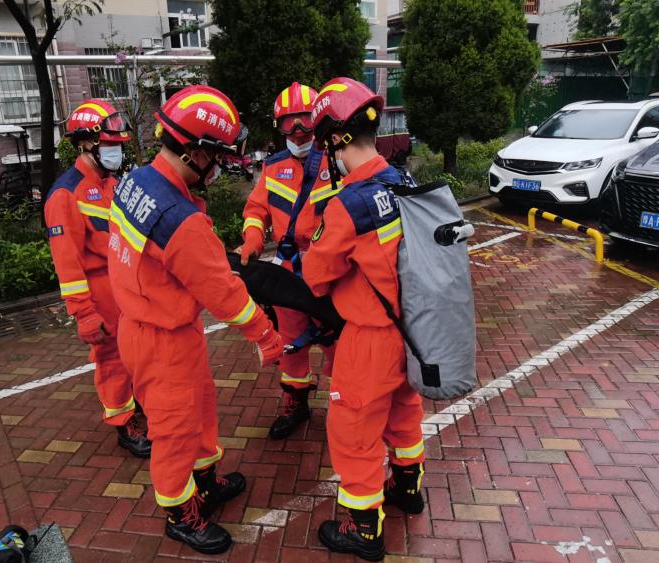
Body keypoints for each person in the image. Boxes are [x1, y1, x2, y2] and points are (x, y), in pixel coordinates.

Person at [106, 85, 284, 555]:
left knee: (200, 411)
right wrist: (264, 333)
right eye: (219, 155)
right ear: (196, 151)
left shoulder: (138, 180)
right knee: (172, 432)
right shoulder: (182, 220)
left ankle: (205, 481)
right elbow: (225, 295)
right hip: (161, 340)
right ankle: (180, 513)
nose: (221, 166)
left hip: (155, 329)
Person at [303, 77, 426, 561]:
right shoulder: (403, 181)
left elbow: (316, 274)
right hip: (411, 330)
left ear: (335, 140)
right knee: (404, 413)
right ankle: (408, 489)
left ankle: (364, 530)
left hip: (369, 339)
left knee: (354, 432)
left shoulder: (347, 204)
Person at [44, 99, 151, 458]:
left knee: (135, 354)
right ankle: (124, 424)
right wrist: (84, 313)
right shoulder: (65, 194)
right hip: (100, 296)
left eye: (119, 146)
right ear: (85, 143)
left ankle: (136, 406)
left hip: (127, 290)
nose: (116, 152)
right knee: (113, 361)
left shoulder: (111, 183)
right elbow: (67, 263)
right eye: (110, 145)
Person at [238, 81, 338, 440]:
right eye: (288, 125)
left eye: (305, 124)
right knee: (291, 343)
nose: (297, 133)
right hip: (290, 272)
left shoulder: (337, 162)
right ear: (278, 127)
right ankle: (295, 402)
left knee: (337, 342)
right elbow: (256, 208)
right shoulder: (274, 167)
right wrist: (252, 237)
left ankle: (344, 405)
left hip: (331, 272)